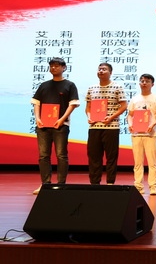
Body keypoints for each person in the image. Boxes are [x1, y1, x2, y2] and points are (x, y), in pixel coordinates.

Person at [31, 57, 80, 194]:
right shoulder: (44, 85)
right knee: (43, 156)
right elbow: (36, 103)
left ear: (64, 68)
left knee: (61, 155)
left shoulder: (69, 85)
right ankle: (45, 184)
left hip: (61, 125)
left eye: (57, 66)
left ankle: (61, 184)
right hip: (43, 126)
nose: (53, 68)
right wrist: (37, 119)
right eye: (51, 66)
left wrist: (62, 119)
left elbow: (73, 104)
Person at [85, 62, 127, 185]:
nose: (101, 71)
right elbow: (88, 107)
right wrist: (89, 117)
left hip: (111, 127)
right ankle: (94, 183)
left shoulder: (117, 87)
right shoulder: (92, 88)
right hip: (94, 127)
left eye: (104, 69)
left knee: (111, 157)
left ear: (110, 72)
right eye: (99, 69)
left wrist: (111, 117)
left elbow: (124, 106)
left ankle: (110, 182)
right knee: (94, 156)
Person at [127, 74, 156, 195]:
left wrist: (152, 125)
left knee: (152, 162)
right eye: (142, 81)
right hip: (136, 134)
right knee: (138, 163)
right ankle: (138, 186)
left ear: (152, 84)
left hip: (151, 134)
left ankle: (153, 186)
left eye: (147, 81)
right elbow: (130, 115)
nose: (144, 83)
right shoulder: (135, 99)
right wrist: (130, 124)